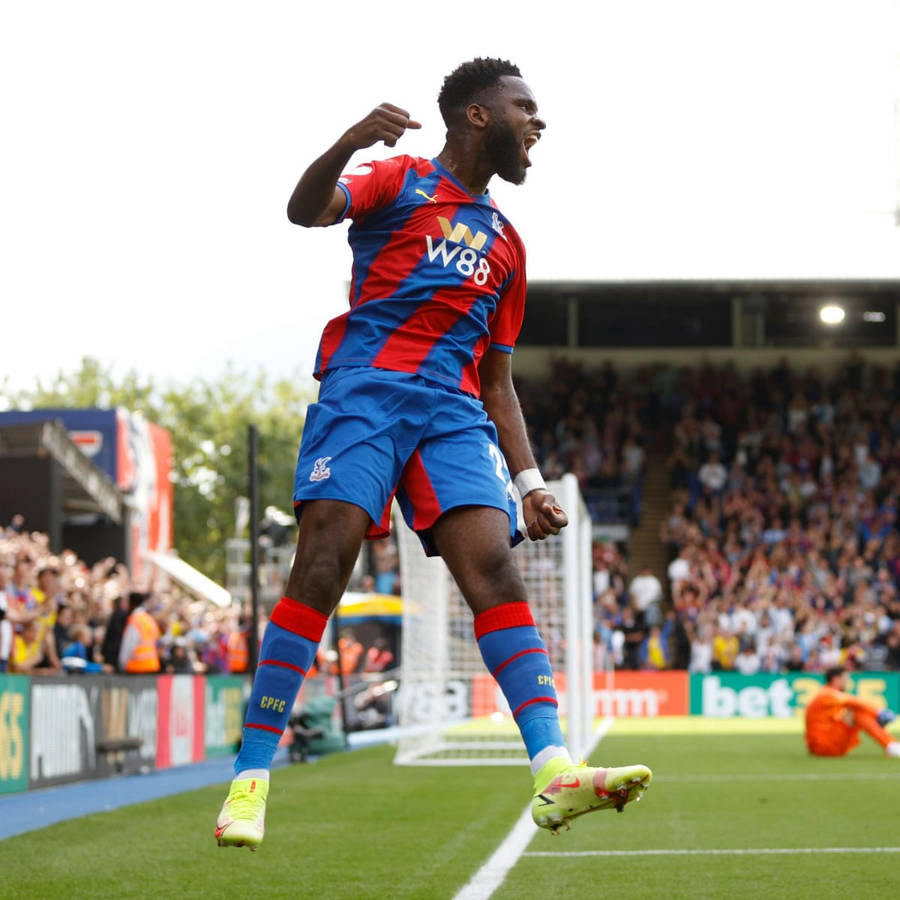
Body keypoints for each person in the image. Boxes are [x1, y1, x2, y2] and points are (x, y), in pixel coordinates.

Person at [215, 57, 651, 851]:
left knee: (494, 567)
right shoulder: (399, 179)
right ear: (477, 115)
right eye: (525, 106)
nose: (537, 122)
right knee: (323, 563)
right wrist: (347, 142)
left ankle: (554, 772)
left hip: (452, 415)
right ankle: (249, 782)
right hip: (366, 391)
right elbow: (303, 210)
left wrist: (529, 480)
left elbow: (497, 377)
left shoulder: (508, 245)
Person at [805, 666, 900, 759]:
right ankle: (891, 745)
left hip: (823, 744)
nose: (848, 682)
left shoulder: (827, 693)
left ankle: (891, 744)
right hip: (823, 745)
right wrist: (878, 712)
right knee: (856, 712)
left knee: (856, 711)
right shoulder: (827, 694)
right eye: (846, 678)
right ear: (836, 679)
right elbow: (853, 701)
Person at [118, 592, 161, 674]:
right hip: (151, 665)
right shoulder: (149, 619)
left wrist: (122, 664)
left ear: (132, 603)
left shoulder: (135, 619)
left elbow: (129, 645)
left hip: (136, 667)